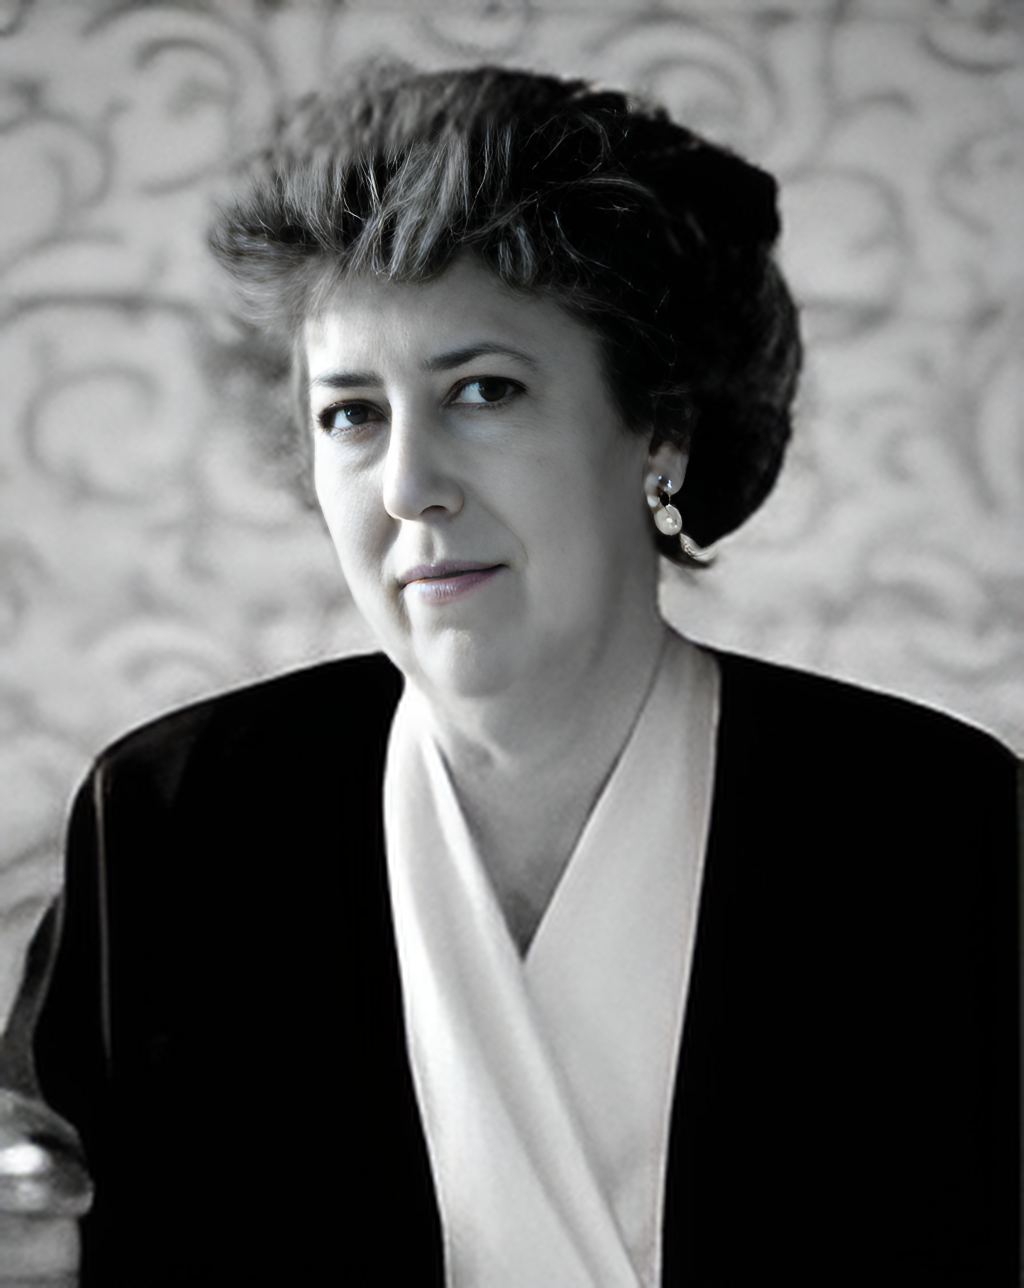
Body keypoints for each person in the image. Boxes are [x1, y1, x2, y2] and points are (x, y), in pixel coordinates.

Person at [10, 65, 1019, 1285]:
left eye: (483, 391)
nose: (407, 485)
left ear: (660, 428)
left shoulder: (938, 822)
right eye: (350, 414)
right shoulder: (175, 821)